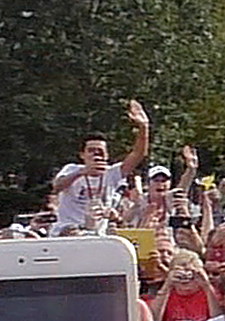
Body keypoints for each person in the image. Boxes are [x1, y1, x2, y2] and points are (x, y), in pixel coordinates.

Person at [50, 99, 150, 234]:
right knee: (74, 232)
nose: (96, 154)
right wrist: (82, 172)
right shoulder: (72, 169)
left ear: (107, 155)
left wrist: (143, 127)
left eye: (101, 151)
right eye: (91, 150)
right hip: (68, 229)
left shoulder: (112, 173)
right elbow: (57, 187)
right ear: (82, 155)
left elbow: (138, 154)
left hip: (97, 233)